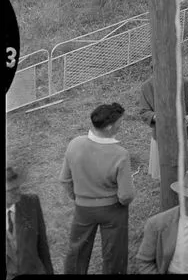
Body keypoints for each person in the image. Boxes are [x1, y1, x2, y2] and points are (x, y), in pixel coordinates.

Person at [60, 102, 135, 275]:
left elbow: (64, 179)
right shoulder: (121, 154)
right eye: (119, 123)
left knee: (77, 251)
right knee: (115, 254)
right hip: (113, 210)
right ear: (109, 127)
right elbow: (126, 195)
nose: (121, 126)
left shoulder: (74, 144)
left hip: (83, 209)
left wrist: (78, 197)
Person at [139, 65, 188, 179]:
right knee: (166, 176)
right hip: (162, 136)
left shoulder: (183, 82)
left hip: (186, 133)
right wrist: (156, 117)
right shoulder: (146, 87)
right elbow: (144, 111)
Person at [5, 165, 53, 276]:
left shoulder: (32, 203)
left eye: (18, 186)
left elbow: (42, 245)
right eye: (12, 190)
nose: (18, 192)